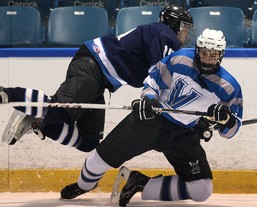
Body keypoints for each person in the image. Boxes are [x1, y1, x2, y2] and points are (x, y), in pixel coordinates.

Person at [60, 28, 243, 207]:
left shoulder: (229, 87)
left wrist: (227, 120)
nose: (208, 58)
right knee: (96, 161)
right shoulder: (180, 58)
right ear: (197, 50)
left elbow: (231, 131)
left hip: (183, 133)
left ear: (221, 54)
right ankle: (84, 185)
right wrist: (148, 99)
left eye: (213, 54)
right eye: (204, 53)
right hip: (152, 119)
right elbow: (153, 81)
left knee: (202, 189)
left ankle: (139, 183)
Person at [0, 5, 193, 152]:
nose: (186, 33)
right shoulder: (165, 34)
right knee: (59, 112)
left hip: (100, 78)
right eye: (185, 27)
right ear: (173, 23)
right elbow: (158, 75)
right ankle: (7, 94)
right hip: (93, 66)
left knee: (89, 141)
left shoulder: (160, 35)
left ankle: (38, 122)